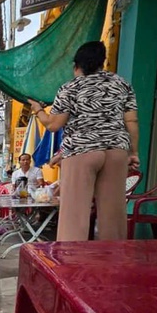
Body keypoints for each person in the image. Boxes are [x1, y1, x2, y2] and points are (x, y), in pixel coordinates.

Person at [28, 40, 140, 241]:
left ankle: (71, 259)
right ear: (101, 62)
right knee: (113, 215)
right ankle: (113, 258)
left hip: (81, 151)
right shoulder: (122, 84)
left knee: (74, 215)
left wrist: (38, 110)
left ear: (76, 66)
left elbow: (53, 124)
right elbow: (131, 121)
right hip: (116, 151)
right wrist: (133, 152)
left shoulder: (70, 87)